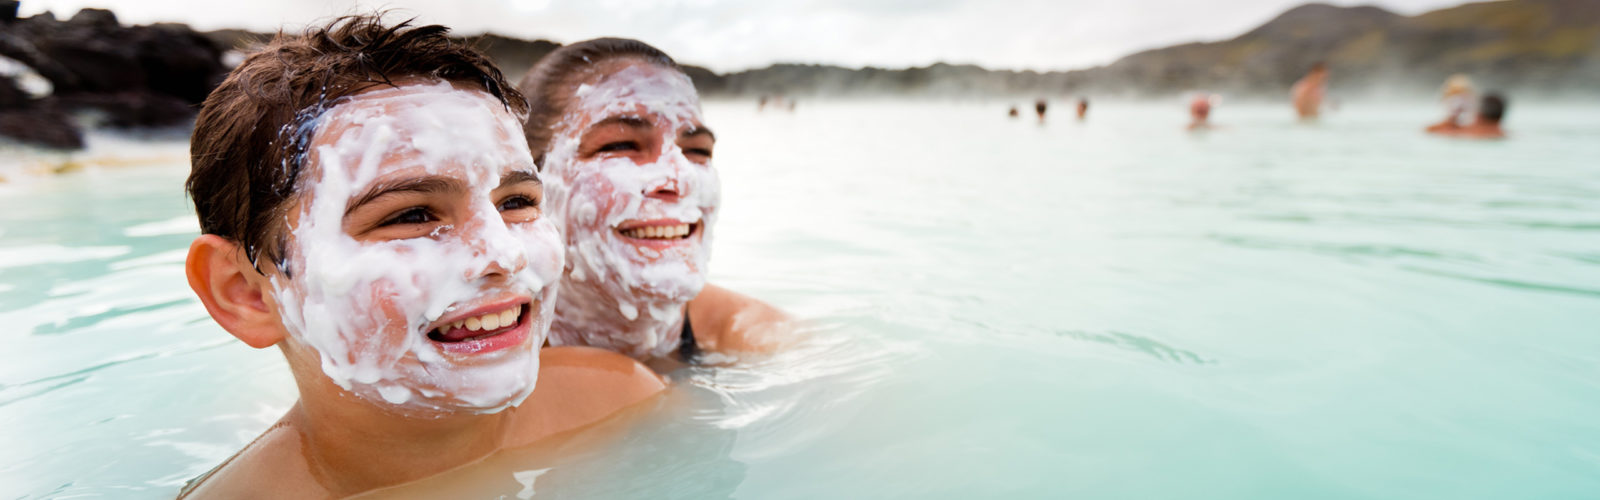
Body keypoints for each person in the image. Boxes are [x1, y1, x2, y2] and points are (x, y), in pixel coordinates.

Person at [178, 17, 663, 498]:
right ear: (246, 295)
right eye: (412, 214)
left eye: (516, 203)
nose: (504, 253)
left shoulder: (623, 401)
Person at [518, 38, 790, 367]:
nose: (680, 179)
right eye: (620, 145)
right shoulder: (462, 369)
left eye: (698, 151)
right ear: (528, 186)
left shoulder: (770, 344)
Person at [1431, 93, 1508, 139]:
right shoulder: (1505, 134)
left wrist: (1451, 119)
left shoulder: (1466, 132)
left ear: (1479, 114)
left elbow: (1430, 131)